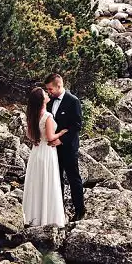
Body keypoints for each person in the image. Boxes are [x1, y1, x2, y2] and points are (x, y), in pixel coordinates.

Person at [22, 86, 68, 227]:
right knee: (48, 182)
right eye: (44, 94)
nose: (47, 94)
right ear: (42, 100)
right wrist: (61, 134)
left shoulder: (32, 115)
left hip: (36, 152)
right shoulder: (47, 116)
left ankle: (32, 216)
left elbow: (30, 135)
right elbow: (50, 137)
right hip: (47, 152)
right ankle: (48, 218)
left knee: (36, 183)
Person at [43, 73, 85, 221]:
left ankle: (80, 211)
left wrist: (61, 140)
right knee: (56, 178)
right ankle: (58, 211)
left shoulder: (73, 101)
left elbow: (77, 125)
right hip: (52, 148)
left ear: (59, 85)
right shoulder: (48, 101)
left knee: (73, 178)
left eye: (50, 89)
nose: (48, 92)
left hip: (68, 147)